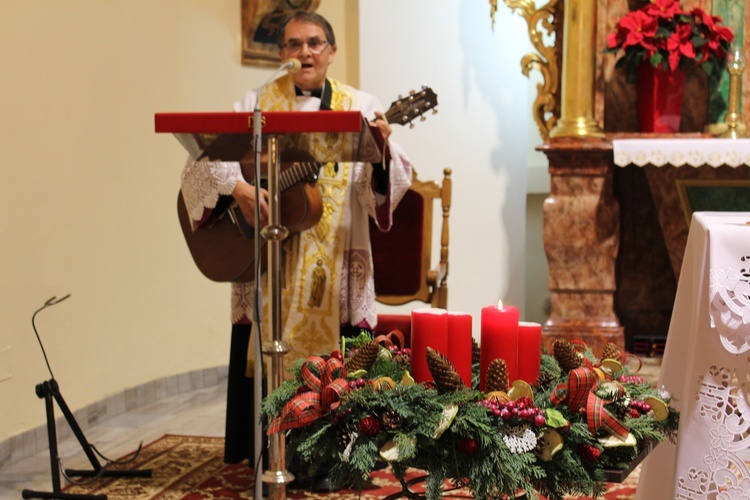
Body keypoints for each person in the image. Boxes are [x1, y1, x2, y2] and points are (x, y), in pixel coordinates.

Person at [179, 10, 413, 488]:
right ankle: (270, 454)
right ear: (281, 53)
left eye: (313, 43)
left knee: (338, 357)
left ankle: (334, 459)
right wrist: (238, 189)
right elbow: (200, 161)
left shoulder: (360, 106)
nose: (304, 52)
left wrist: (383, 151)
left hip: (336, 260)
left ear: (331, 51)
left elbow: (382, 190)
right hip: (268, 263)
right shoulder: (256, 102)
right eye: (293, 45)